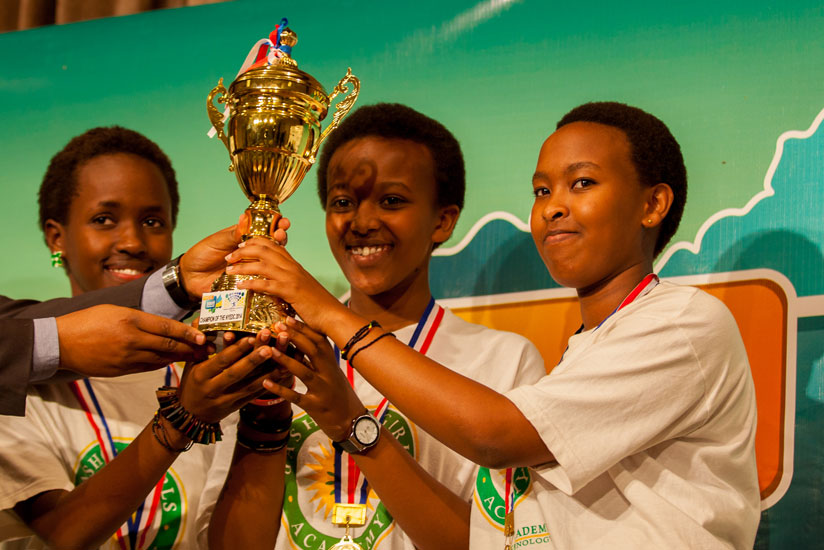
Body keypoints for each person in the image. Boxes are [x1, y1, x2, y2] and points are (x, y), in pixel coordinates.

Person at [229, 102, 761, 548]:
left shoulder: (684, 323)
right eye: (541, 191)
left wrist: (325, 311)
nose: (553, 208)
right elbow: (479, 542)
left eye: (581, 183)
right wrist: (350, 421)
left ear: (653, 204)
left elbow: (495, 436)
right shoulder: (584, 354)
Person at [204, 103, 546, 550]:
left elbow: (499, 543)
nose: (362, 223)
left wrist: (351, 423)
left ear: (442, 221)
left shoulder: (503, 361)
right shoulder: (279, 347)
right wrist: (265, 415)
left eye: (392, 201)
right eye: (343, 202)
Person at [0, 126, 279, 549]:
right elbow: (60, 535)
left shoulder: (205, 367)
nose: (132, 241)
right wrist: (184, 416)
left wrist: (266, 415)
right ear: (57, 237)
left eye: (152, 221)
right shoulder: (17, 382)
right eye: (104, 220)